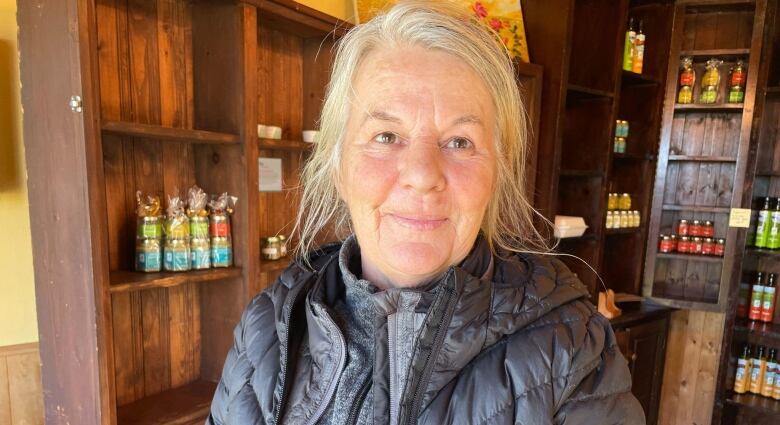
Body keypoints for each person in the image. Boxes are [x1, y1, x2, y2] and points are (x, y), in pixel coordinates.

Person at [207, 1, 644, 424]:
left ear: (497, 172)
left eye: (459, 142)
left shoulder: (574, 351)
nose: (421, 174)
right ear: (338, 166)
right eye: (386, 135)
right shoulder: (268, 325)